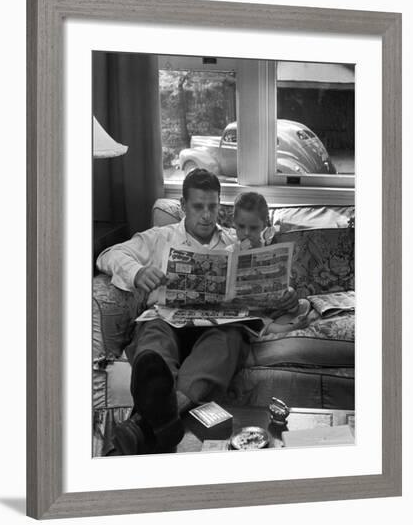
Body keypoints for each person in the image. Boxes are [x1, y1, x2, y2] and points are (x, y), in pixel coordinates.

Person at [97, 170, 299, 455]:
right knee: (154, 342)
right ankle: (160, 422)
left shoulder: (236, 239)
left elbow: (268, 286)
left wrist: (284, 295)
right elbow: (108, 255)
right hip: (166, 321)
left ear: (219, 205)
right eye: (198, 207)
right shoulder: (160, 237)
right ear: (183, 205)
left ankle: (145, 425)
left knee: (229, 338)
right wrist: (138, 271)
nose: (206, 215)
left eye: (213, 207)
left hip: (218, 328)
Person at [232, 191, 310, 334]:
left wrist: (289, 295)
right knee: (249, 319)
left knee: (304, 304)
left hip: (272, 309)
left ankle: (279, 325)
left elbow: (284, 284)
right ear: (234, 223)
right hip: (247, 313)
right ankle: (285, 328)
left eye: (253, 228)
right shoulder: (230, 252)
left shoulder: (271, 250)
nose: (247, 233)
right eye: (241, 226)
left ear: (264, 225)